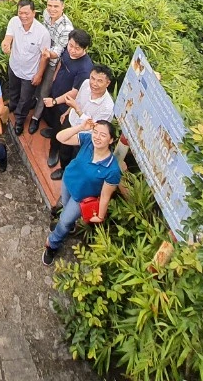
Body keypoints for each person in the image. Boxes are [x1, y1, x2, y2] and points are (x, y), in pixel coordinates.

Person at [43, 119, 121, 265]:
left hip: (81, 197)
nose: (97, 137)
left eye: (103, 135)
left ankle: (52, 244)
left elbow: (105, 195)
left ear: (111, 140)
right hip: (68, 180)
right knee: (65, 207)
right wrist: (81, 127)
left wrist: (100, 216)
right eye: (95, 132)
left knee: (64, 221)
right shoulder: (88, 140)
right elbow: (60, 137)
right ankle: (70, 225)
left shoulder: (112, 169)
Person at [50, 63, 116, 180]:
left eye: (100, 81)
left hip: (84, 135)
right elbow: (78, 100)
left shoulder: (108, 107)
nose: (94, 83)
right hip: (71, 121)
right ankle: (63, 169)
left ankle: (70, 176)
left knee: (76, 157)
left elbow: (96, 127)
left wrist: (77, 109)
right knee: (64, 149)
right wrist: (67, 112)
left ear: (107, 83)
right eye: (92, 78)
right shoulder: (86, 83)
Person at [39, 29, 93, 163]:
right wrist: (54, 79)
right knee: (52, 119)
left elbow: (74, 93)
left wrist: (55, 101)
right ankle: (52, 131)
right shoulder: (67, 51)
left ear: (85, 48)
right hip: (55, 92)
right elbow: (60, 63)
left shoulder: (85, 68)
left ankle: (54, 150)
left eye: (77, 48)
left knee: (60, 126)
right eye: (71, 45)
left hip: (65, 103)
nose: (72, 50)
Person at [28, 0, 75, 134]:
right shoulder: (46, 14)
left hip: (53, 62)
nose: (52, 9)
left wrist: (47, 54)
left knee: (45, 90)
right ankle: (32, 101)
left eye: (56, 6)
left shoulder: (67, 28)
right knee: (34, 81)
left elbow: (58, 52)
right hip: (40, 54)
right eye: (49, 5)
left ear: (63, 6)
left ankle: (36, 117)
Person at [1, 0, 51, 131]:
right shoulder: (14, 22)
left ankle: (19, 120)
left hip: (30, 73)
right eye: (20, 13)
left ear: (33, 13)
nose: (23, 16)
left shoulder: (42, 33)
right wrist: (5, 44)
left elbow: (44, 57)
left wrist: (39, 74)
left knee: (25, 99)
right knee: (13, 90)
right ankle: (13, 105)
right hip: (14, 66)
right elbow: (8, 38)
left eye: (26, 13)